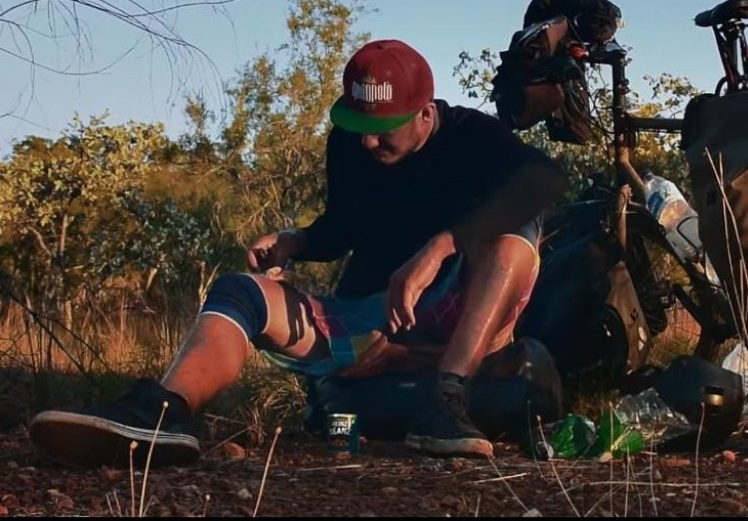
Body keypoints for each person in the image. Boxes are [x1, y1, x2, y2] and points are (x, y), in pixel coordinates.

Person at [28, 39, 568, 468]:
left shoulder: (472, 136)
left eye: (382, 131)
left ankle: (445, 404)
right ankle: (164, 413)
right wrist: (297, 241)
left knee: (513, 236)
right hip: (369, 321)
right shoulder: (349, 144)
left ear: (425, 114)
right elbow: (342, 229)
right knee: (240, 291)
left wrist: (438, 248)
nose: (366, 143)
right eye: (358, 127)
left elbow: (545, 182)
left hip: (453, 311)